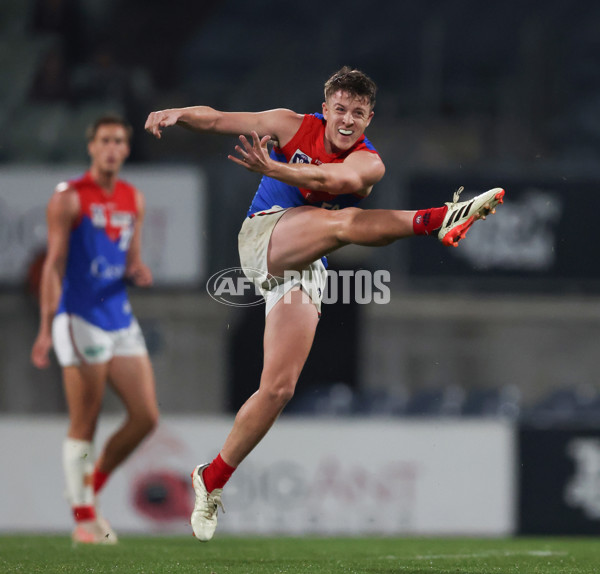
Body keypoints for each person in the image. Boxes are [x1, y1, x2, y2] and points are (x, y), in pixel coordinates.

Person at [144, 66, 505, 542]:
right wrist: (177, 113)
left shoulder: (369, 163)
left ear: (369, 118)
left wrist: (277, 169)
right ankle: (438, 219)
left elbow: (334, 181)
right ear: (326, 106)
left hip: (306, 261)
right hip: (265, 236)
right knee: (344, 225)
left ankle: (210, 479)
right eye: (340, 108)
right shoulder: (289, 124)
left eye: (358, 112)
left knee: (278, 389)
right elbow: (216, 121)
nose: (348, 119)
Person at [31, 114, 159, 544]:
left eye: (119, 141)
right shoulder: (69, 197)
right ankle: (84, 518)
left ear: (125, 150)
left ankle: (91, 486)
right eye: (104, 140)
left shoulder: (132, 198)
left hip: (118, 315)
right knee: (85, 419)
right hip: (79, 315)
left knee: (145, 418)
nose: (111, 148)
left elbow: (131, 260)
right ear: (92, 147)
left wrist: (138, 271)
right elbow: (53, 265)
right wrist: (47, 326)